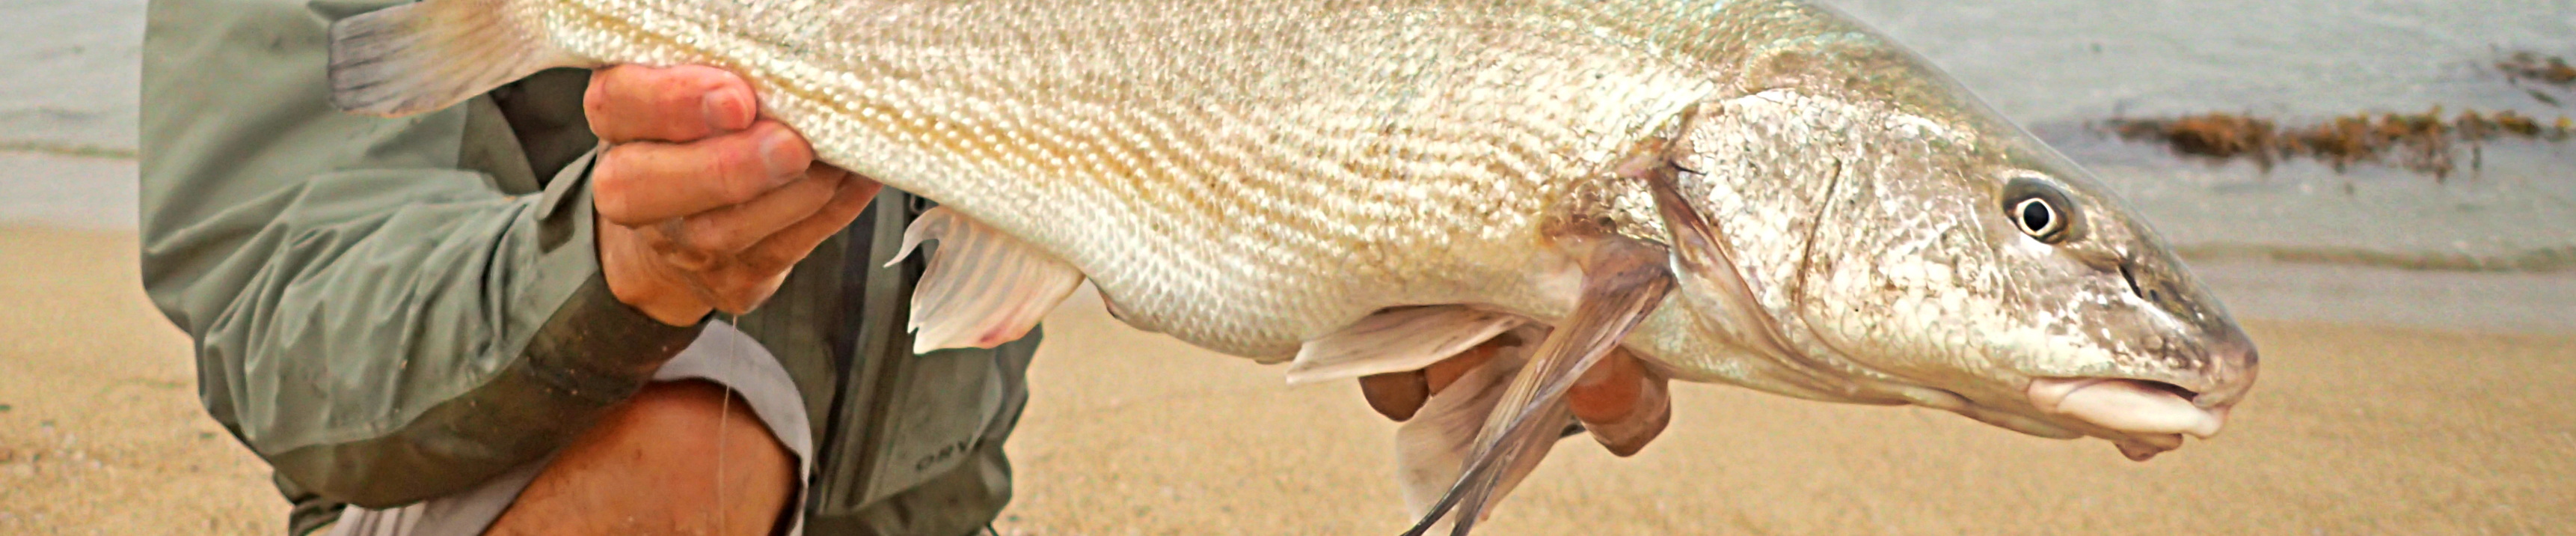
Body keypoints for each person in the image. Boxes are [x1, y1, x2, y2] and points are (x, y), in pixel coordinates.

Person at [137, 1, 1674, 535]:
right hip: (504, 481)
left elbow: (1196, 146)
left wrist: (1408, 263)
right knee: (697, 426)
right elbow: (285, 303)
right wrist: (616, 278)